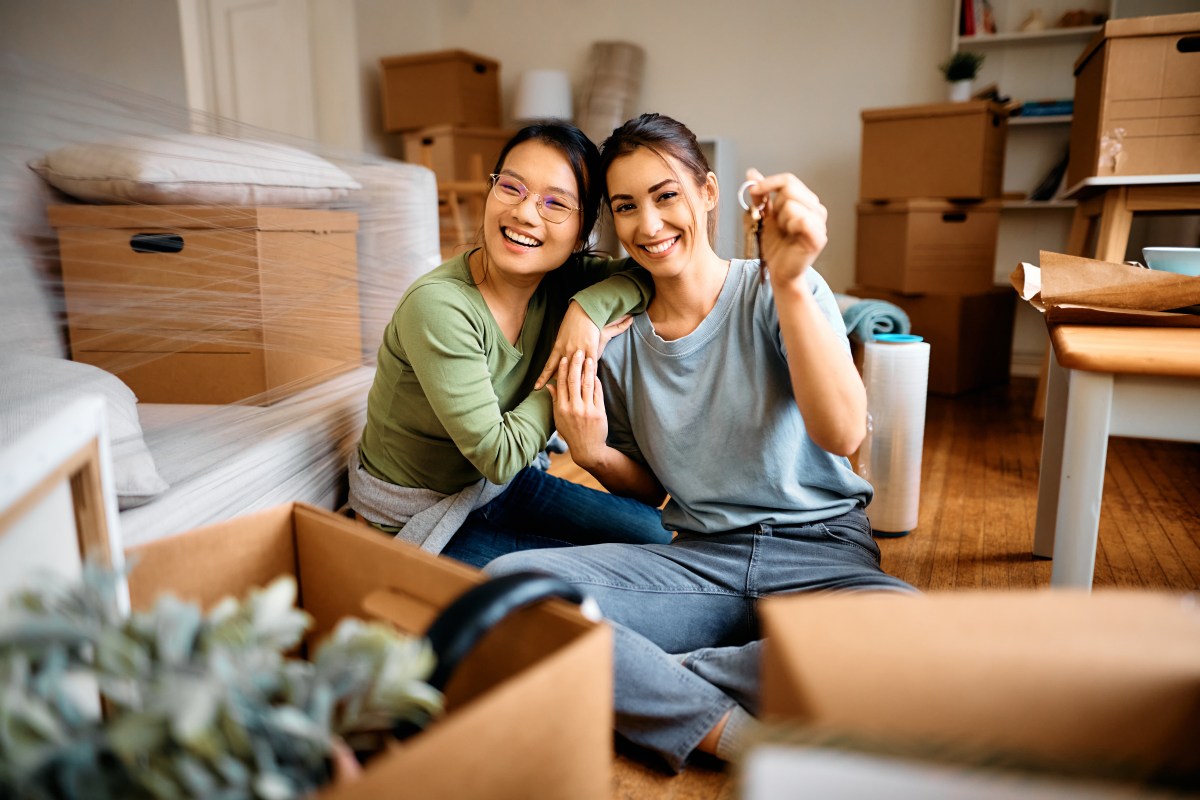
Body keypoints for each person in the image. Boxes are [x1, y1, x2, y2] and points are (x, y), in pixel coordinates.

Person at [485, 113, 916, 772]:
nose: (648, 226)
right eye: (626, 207)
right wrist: (594, 453)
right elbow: (654, 489)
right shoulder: (616, 340)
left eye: (665, 196)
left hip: (824, 554)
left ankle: (654, 673)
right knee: (512, 588)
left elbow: (844, 432)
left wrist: (793, 282)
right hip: (699, 563)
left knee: (914, 639)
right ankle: (733, 732)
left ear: (709, 193)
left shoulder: (774, 291)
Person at [349, 121, 671, 569]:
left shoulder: (562, 283)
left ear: (581, 235)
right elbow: (498, 456)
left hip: (496, 488)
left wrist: (584, 313)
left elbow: (649, 272)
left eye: (555, 203)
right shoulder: (440, 307)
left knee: (659, 538)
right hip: (418, 513)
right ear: (490, 191)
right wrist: (576, 360)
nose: (525, 213)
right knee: (608, 581)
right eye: (512, 188)